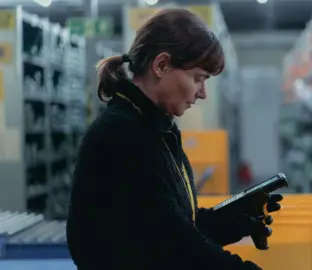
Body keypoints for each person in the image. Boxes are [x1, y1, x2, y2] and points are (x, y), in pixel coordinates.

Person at [66, 8, 283, 270]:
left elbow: (168, 223)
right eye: (198, 79)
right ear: (161, 65)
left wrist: (235, 220)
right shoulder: (122, 136)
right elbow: (174, 245)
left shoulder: (156, 127)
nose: (203, 93)